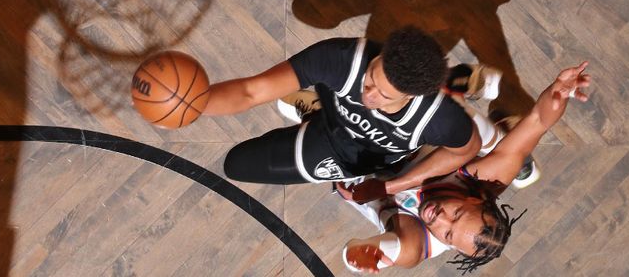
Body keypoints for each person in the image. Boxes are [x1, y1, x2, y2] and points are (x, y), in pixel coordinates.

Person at [337, 61, 591, 273]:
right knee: (464, 129)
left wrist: (363, 255)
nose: (440, 219)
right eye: (456, 214)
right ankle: (461, 93)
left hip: (361, 167)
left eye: (447, 235)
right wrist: (560, 92)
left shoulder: (417, 242)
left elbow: (391, 250)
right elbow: (538, 120)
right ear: (474, 198)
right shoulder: (486, 181)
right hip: (417, 148)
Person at [205, 26, 483, 191]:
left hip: (352, 156)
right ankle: (318, 111)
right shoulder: (339, 58)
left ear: (411, 96)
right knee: (238, 162)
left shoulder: (439, 119)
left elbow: (468, 149)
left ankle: (458, 81)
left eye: (383, 95)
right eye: (371, 77)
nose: (368, 93)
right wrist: (193, 104)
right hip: (333, 121)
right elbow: (250, 92)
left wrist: (394, 186)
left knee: (236, 165)